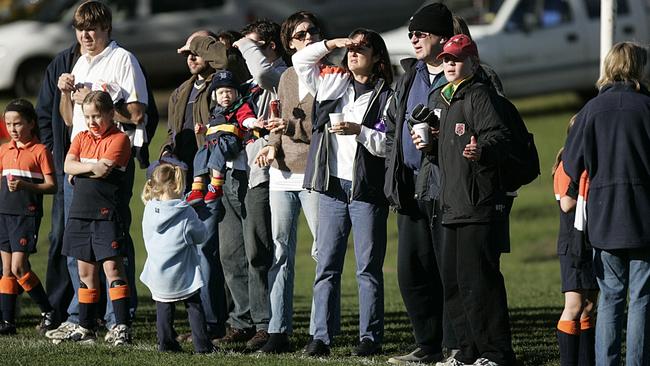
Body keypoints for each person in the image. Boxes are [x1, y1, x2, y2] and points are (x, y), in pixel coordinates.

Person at [46, 0, 147, 342]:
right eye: (80, 28)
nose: (86, 34)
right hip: (80, 160)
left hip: (111, 162)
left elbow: (136, 116)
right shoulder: (79, 62)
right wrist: (65, 94)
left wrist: (97, 96)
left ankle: (118, 319)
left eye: (93, 27)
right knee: (79, 249)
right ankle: (81, 318)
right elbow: (68, 119)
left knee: (111, 248)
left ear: (107, 29)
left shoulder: (122, 60)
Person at [293, 29, 393, 357]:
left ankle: (370, 339)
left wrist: (359, 131)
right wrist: (334, 44)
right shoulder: (333, 82)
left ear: (378, 58)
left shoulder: (387, 96)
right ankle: (320, 338)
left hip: (367, 190)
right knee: (327, 265)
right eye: (350, 48)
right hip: (332, 186)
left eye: (361, 48)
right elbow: (299, 61)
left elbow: (389, 145)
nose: (353, 53)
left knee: (367, 268)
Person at [562, 41, 650, 366]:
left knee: (611, 297)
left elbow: (571, 164)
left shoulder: (591, 111)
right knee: (641, 298)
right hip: (643, 215)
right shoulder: (647, 108)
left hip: (604, 216)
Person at [433, 34, 515, 366]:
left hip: (476, 203)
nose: (449, 65)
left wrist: (482, 149)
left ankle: (496, 353)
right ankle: (467, 352)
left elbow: (500, 136)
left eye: (456, 59)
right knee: (453, 283)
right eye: (445, 60)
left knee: (479, 282)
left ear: (473, 63)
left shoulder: (479, 94)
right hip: (452, 204)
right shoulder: (448, 98)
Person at [383, 3, 454, 364]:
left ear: (442, 37)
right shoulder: (409, 75)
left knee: (449, 271)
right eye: (412, 33)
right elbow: (394, 124)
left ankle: (456, 346)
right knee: (412, 272)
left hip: (448, 187)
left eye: (421, 33)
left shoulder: (467, 74)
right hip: (410, 184)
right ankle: (427, 345)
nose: (413, 39)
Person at [213, 19, 287, 351]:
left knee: (258, 250)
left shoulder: (279, 75)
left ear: (269, 47)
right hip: (230, 173)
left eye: (251, 46)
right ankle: (240, 320)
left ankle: (262, 323)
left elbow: (260, 72)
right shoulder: (244, 85)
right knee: (231, 252)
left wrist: (247, 44)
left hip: (260, 175)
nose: (244, 53)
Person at [253, 11, 323, 353]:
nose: (308, 38)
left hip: (314, 174)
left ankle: (319, 333)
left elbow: (320, 130)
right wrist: (270, 145)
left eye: (312, 32)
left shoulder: (329, 76)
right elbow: (280, 124)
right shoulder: (286, 78)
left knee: (321, 252)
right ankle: (278, 331)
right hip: (282, 175)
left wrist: (291, 130)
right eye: (299, 35)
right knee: (280, 252)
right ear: (290, 43)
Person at [160, 31, 230, 342]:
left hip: (211, 180)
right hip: (184, 183)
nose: (190, 56)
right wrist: (165, 152)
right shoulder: (180, 91)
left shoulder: (223, 84)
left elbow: (224, 58)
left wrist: (200, 42)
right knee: (186, 252)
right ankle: (200, 324)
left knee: (205, 251)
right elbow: (173, 132)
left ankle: (214, 324)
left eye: (197, 51)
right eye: (187, 52)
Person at [58, 91, 132, 345]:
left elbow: (103, 171)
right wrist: (87, 167)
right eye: (87, 116)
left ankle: (121, 326)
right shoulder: (80, 137)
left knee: (112, 268)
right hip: (80, 214)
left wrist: (80, 170)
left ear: (110, 114)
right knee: (85, 272)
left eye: (97, 116)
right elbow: (67, 166)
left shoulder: (120, 139)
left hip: (105, 214)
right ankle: (86, 327)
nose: (91, 122)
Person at [140, 163, 216, 354]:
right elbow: (200, 235)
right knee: (194, 305)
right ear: (175, 186)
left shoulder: (149, 208)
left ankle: (166, 344)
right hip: (182, 272)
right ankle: (202, 345)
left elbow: (146, 235)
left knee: (164, 308)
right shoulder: (185, 212)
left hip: (157, 270)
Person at [0, 99, 56, 335]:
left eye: (18, 123)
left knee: (19, 266)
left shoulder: (40, 151)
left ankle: (48, 311)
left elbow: (52, 186)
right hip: (3, 214)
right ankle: (7, 322)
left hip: (26, 215)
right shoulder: (3, 150)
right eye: (8, 124)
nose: (13, 129)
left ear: (31, 123)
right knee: (6, 269)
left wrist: (25, 185)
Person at [552, 116, 597, 366]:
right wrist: (583, 175)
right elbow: (567, 204)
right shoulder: (566, 165)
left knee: (589, 306)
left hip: (593, 241)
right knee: (574, 305)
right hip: (573, 244)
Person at [186, 70, 256, 205]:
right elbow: (213, 125)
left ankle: (216, 184)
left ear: (236, 93)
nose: (225, 96)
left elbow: (246, 118)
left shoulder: (240, 106)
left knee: (219, 147)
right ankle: (197, 187)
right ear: (215, 96)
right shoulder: (215, 111)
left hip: (230, 141)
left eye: (229, 92)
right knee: (202, 152)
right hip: (213, 141)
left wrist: (253, 122)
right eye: (221, 93)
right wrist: (204, 129)